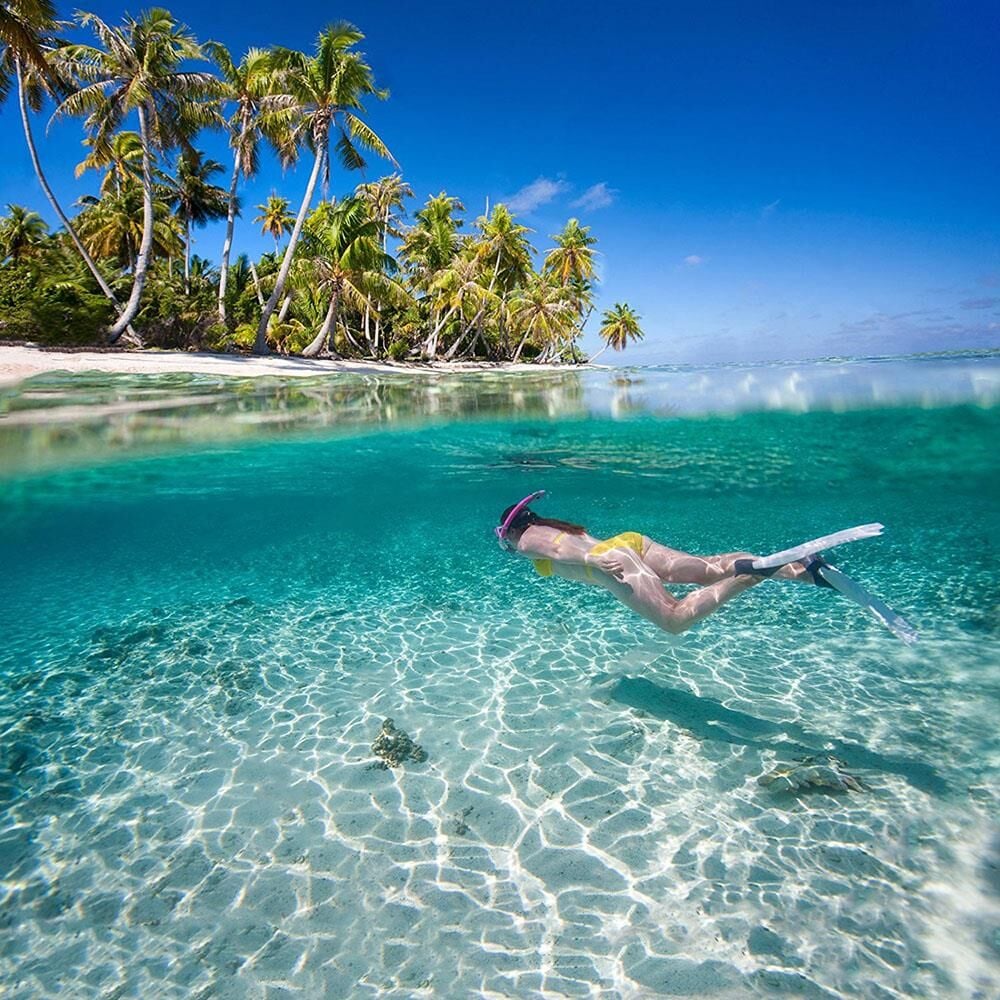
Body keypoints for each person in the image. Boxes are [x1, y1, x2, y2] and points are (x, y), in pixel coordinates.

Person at [496, 491, 826, 635]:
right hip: (629, 543)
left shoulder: (525, 540)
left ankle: (752, 574)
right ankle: (801, 569)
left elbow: (556, 553)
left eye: (505, 535)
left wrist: (592, 559)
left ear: (511, 529)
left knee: (673, 620)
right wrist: (594, 554)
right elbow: (562, 545)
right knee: (707, 569)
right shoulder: (553, 525)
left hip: (611, 563)